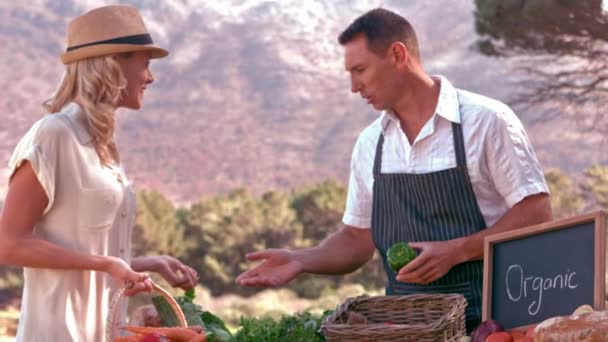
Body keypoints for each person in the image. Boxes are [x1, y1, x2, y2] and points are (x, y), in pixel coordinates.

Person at [236, 8, 552, 332]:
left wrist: (457, 251)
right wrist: (300, 260)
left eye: (360, 69)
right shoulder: (370, 143)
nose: (353, 86)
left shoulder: (486, 121)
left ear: (397, 54)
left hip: (494, 325)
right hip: (406, 328)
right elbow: (357, 239)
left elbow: (537, 212)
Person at [0, 5, 198, 341]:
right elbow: (8, 244)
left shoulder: (103, 145)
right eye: (145, 64)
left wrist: (144, 263)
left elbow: (80, 244)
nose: (150, 77)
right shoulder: (54, 134)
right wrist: (108, 265)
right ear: (113, 64)